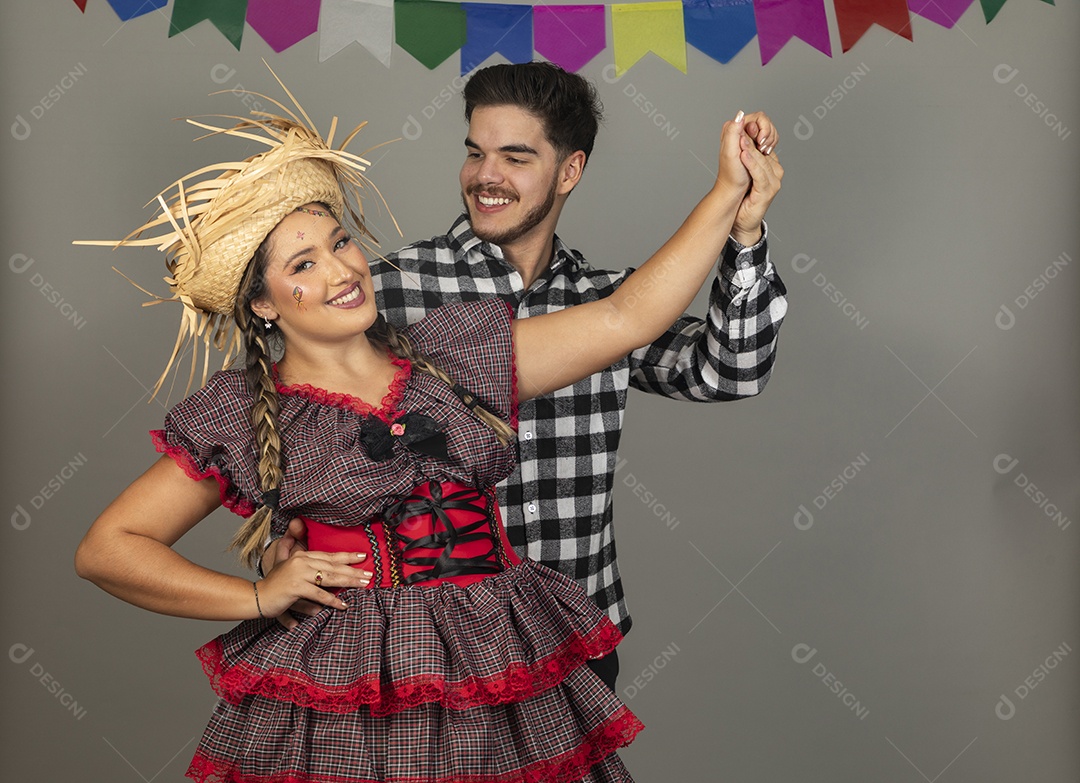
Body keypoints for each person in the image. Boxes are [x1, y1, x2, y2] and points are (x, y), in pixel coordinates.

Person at [74, 75, 779, 783]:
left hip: (518, 650)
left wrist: (728, 194)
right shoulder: (252, 405)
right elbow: (110, 547)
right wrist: (258, 595)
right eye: (304, 264)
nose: (341, 270)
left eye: (340, 242)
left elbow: (630, 316)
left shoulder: (457, 353)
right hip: (358, 681)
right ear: (262, 302)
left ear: (570, 169)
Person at [264, 62, 787, 690]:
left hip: (576, 638)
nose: (486, 175)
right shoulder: (384, 292)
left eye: (515, 157)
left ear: (570, 170)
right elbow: (296, 431)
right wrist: (280, 546)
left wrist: (745, 231)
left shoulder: (608, 301)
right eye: (475, 153)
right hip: (430, 653)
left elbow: (731, 371)